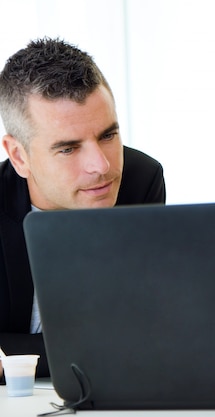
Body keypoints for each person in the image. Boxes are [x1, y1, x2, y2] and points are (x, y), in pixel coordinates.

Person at [0, 37, 166, 379]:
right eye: (68, 149)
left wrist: (15, 357)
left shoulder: (140, 179)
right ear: (19, 156)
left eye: (108, 135)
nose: (101, 165)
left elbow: (138, 337)